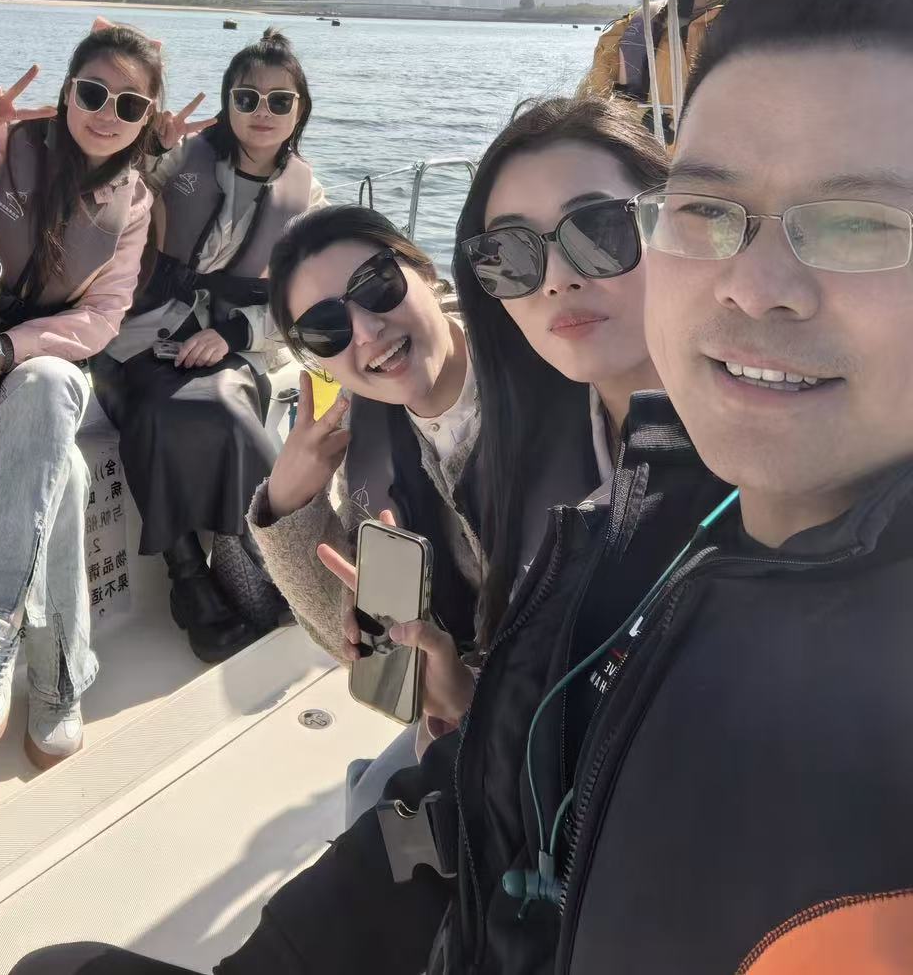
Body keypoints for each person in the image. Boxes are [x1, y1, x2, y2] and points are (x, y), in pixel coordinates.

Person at [15, 0, 913, 975]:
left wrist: (464, 694)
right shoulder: (501, 461)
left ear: (424, 276)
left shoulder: (600, 439)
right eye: (713, 214)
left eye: (861, 226)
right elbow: (387, 657)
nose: (755, 286)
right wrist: (293, 517)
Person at [255, 98, 666, 823]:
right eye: (324, 329)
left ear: (425, 272)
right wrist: (289, 505)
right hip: (477, 730)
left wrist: (475, 705)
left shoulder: (568, 363)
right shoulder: (371, 434)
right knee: (372, 805)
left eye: (377, 287)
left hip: (563, 761)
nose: (365, 330)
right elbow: (369, 649)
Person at [0, 21, 161, 768]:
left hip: (24, 390)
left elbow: (103, 317)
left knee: (51, 381)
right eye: (93, 93)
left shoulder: (133, 204)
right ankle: (57, 682)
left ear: (147, 119)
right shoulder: (3, 147)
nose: (107, 114)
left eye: (130, 105)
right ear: (67, 90)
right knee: (67, 474)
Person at [93, 29, 325, 664]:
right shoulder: (180, 160)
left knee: (224, 411)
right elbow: (108, 198)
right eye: (246, 97)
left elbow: (311, 306)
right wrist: (145, 148)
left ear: (300, 110)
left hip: (237, 345)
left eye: (280, 101)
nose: (261, 112)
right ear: (226, 103)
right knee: (150, 406)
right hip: (139, 334)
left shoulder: (308, 200)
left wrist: (235, 332)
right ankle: (188, 579)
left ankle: (249, 564)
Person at [583, 0, 725, 140]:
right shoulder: (631, 29)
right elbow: (594, 111)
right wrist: (643, 119)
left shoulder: (741, 28)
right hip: (646, 151)